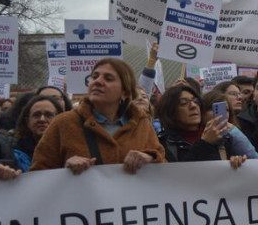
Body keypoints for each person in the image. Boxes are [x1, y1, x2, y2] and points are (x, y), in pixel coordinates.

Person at [31, 58, 165, 174]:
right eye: (94, 77)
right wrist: (64, 170)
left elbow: (163, 165)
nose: (98, 81)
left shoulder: (141, 123)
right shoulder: (63, 123)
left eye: (108, 78)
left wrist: (150, 157)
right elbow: (38, 173)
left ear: (125, 92)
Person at [156, 86, 247, 167]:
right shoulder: (163, 143)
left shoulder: (223, 138)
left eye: (196, 101)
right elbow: (181, 175)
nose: (193, 106)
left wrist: (236, 161)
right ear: (170, 111)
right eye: (184, 103)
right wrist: (204, 143)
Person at [12, 94, 64, 170]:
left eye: (48, 115)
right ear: (27, 121)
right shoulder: (13, 152)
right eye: (36, 115)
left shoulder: (69, 148)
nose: (42, 119)